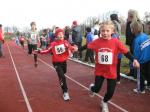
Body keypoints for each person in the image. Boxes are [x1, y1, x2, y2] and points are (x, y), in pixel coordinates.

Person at [88, 21, 140, 112]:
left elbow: (126, 52)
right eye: (103, 31)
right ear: (100, 31)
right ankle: (92, 88)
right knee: (97, 89)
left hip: (111, 71)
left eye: (107, 31)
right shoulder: (97, 41)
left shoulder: (116, 42)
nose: (105, 33)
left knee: (111, 92)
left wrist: (134, 60)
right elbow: (87, 46)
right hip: (100, 71)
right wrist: (77, 48)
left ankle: (104, 102)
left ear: (112, 31)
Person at [37, 28, 78, 101]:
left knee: (63, 73)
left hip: (64, 62)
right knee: (62, 76)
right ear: (56, 36)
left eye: (62, 34)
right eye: (59, 34)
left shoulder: (66, 42)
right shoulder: (53, 44)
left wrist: (74, 48)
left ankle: (61, 79)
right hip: (56, 63)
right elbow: (47, 50)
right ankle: (65, 92)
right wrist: (40, 51)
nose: (61, 35)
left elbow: (70, 48)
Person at [130, 21, 150, 93]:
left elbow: (136, 52)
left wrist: (135, 61)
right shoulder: (146, 36)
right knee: (148, 73)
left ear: (134, 29)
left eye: (131, 28)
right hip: (148, 59)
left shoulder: (136, 40)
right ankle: (148, 85)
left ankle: (140, 89)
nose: (130, 30)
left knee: (140, 76)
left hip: (141, 61)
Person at [125, 9, 141, 78]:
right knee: (131, 56)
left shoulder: (138, 22)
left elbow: (139, 33)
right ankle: (132, 71)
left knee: (136, 57)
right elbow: (128, 32)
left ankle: (136, 73)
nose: (128, 16)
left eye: (129, 14)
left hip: (136, 42)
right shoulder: (128, 22)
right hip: (131, 42)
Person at [110, 13, 122, 84]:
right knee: (117, 63)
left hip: (115, 42)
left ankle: (115, 78)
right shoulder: (119, 23)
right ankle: (118, 78)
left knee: (114, 63)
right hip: (118, 40)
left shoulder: (113, 23)